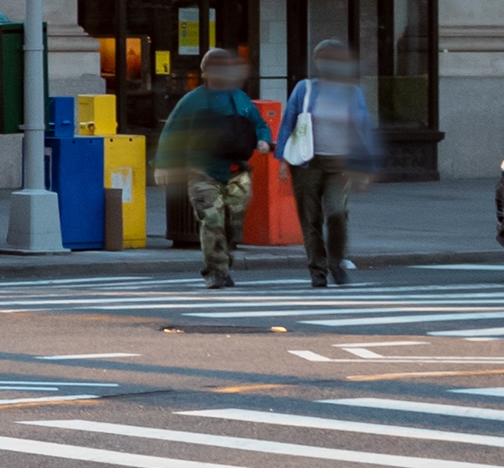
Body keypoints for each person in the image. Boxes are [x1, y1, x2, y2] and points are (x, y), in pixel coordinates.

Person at [274, 39, 383, 289]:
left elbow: (362, 128)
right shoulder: (305, 89)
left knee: (337, 214)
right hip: (306, 164)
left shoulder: (352, 92)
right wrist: (281, 158)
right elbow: (288, 121)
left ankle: (335, 262)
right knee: (310, 219)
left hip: (340, 167)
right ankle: (317, 270)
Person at [155, 49, 265, 288]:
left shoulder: (241, 99)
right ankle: (215, 271)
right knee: (212, 219)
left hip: (237, 171)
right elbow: (172, 131)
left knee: (232, 220)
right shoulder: (192, 100)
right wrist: (162, 165)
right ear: (205, 72)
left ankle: (223, 262)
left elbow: (259, 124)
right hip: (203, 171)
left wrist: (265, 139)